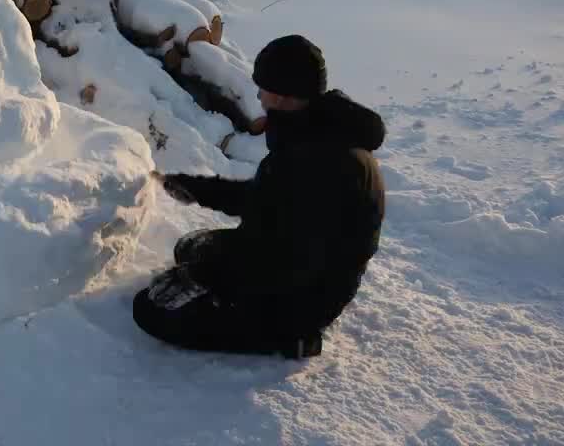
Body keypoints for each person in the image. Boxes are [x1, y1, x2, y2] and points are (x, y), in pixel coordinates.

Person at [133, 34, 386, 359]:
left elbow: (286, 255)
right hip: (297, 254)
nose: (258, 94)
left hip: (307, 291)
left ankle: (291, 336)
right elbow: (267, 200)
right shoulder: (317, 127)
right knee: (190, 248)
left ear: (282, 95)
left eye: (263, 86)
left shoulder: (319, 159)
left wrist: (209, 276)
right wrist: (194, 188)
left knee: (151, 310)